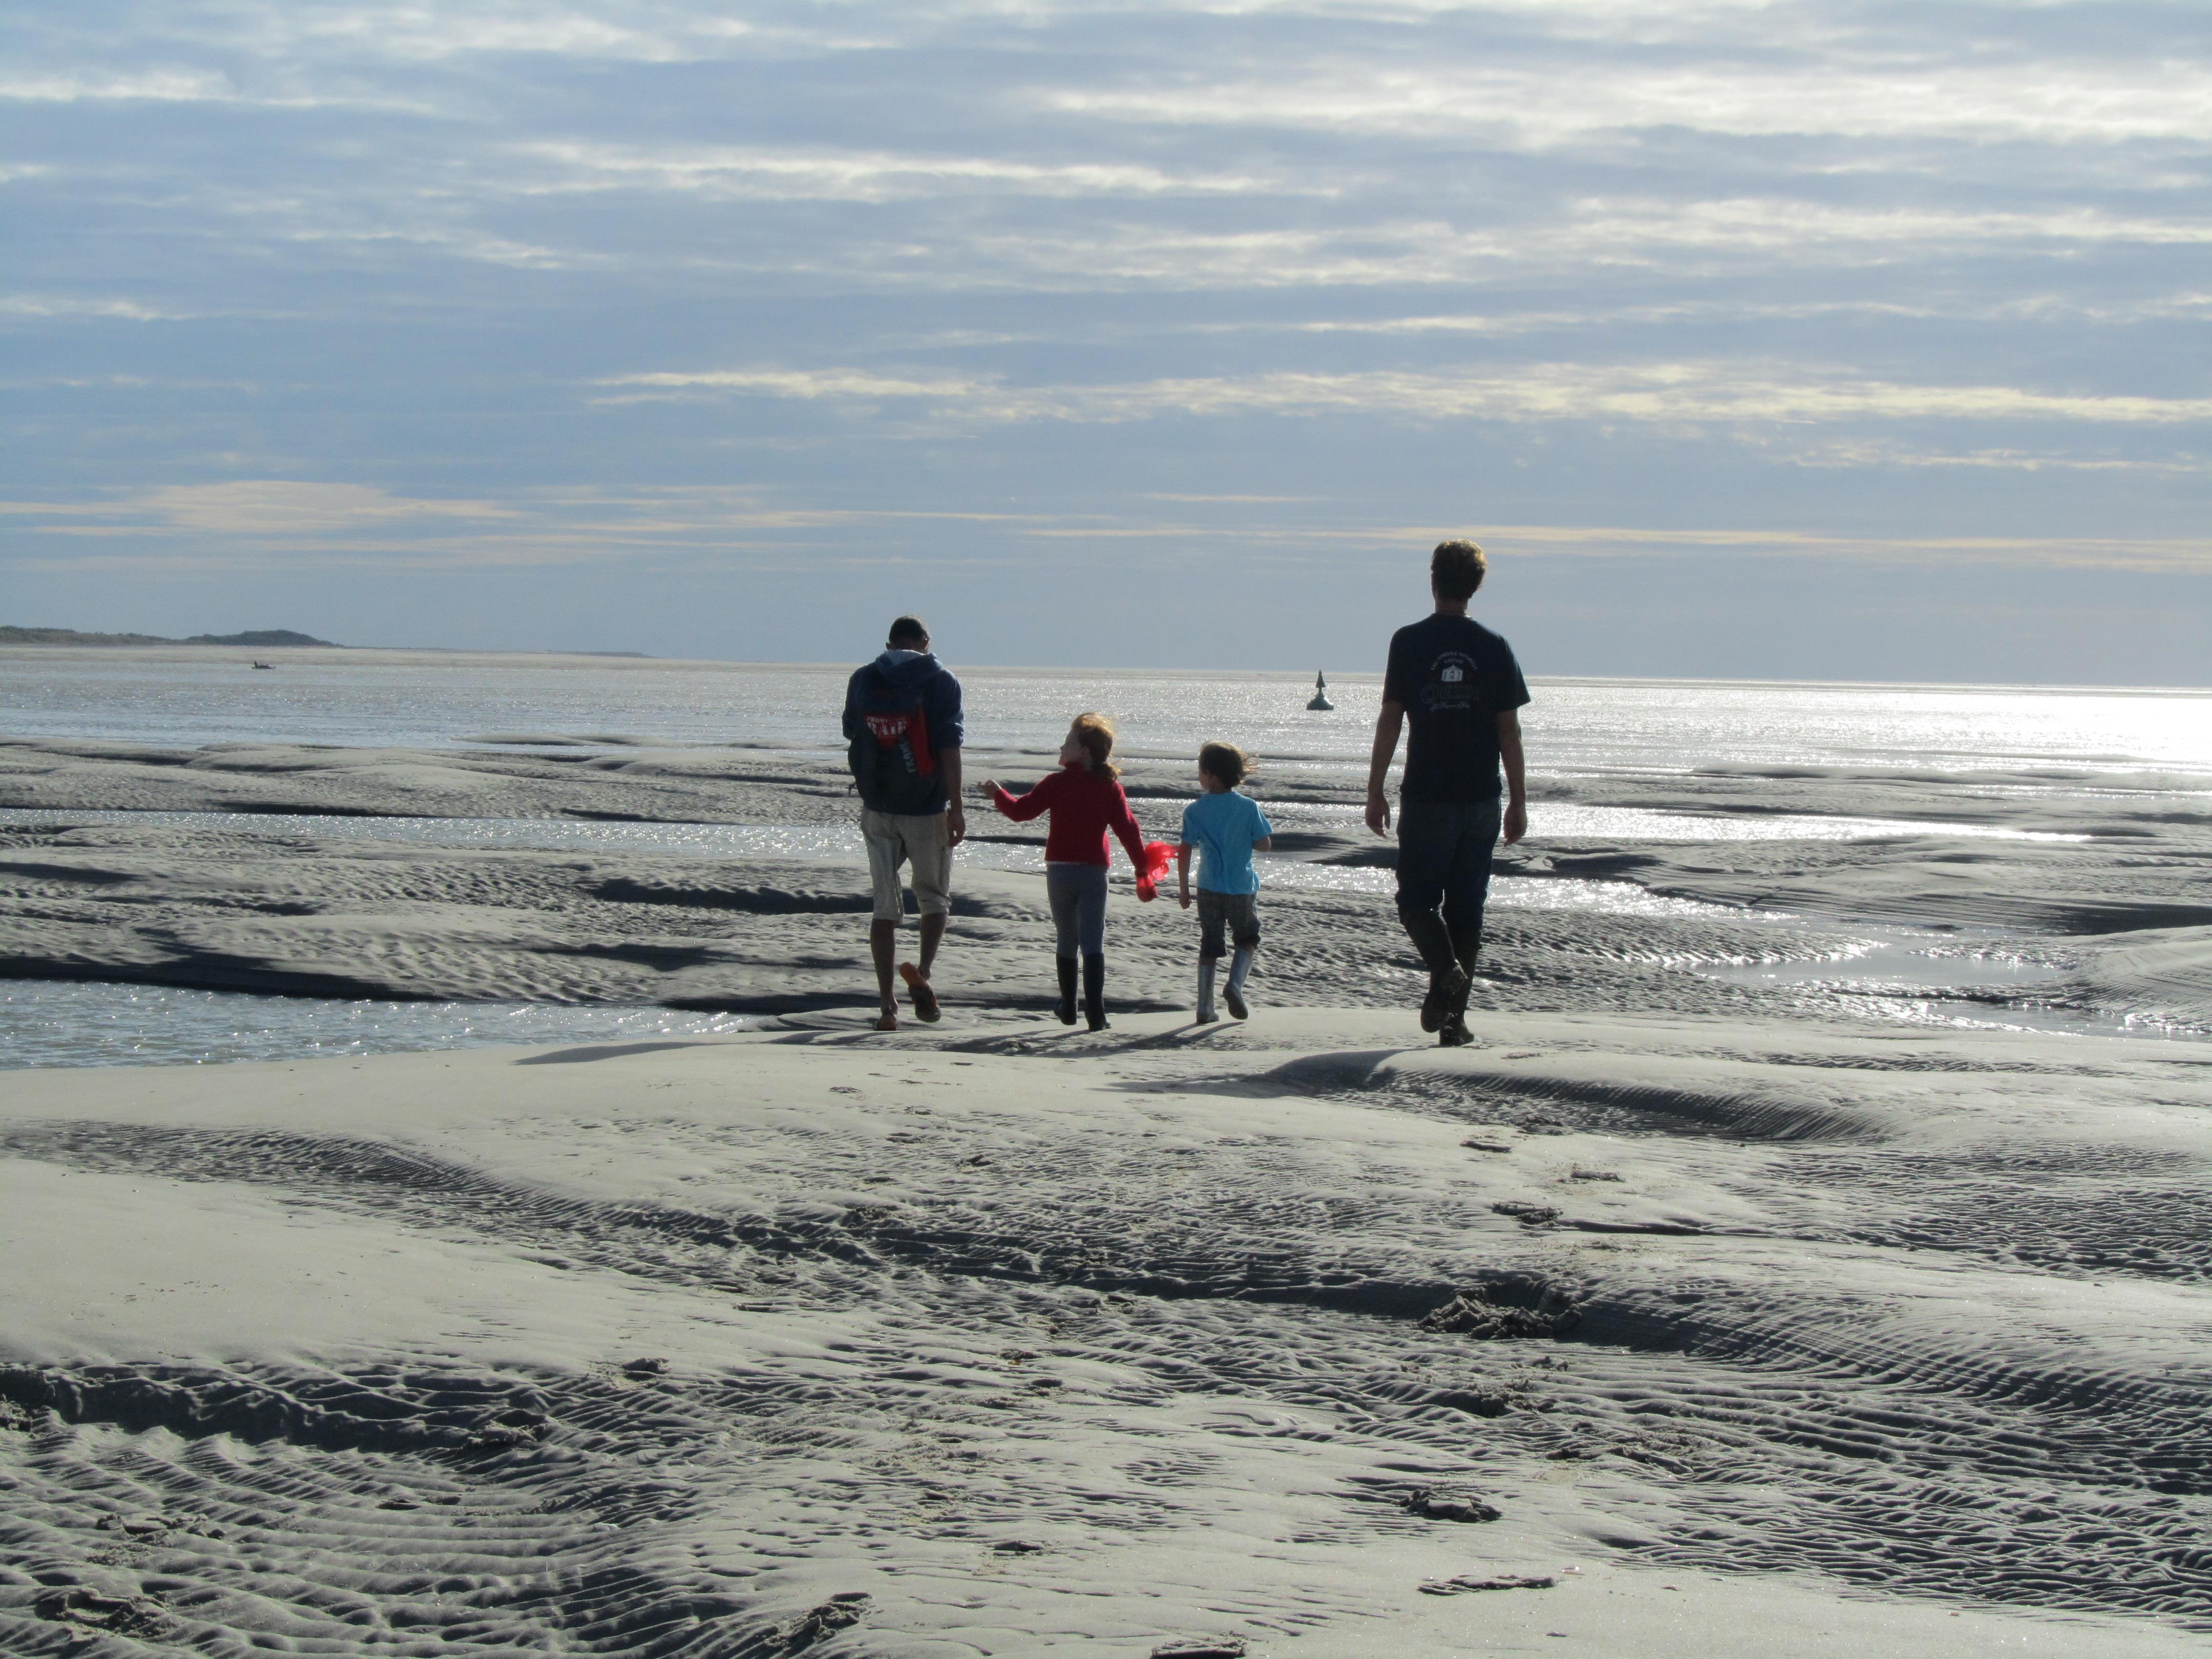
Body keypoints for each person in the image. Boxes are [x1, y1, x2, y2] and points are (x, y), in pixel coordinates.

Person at [1364, 540, 1529, 1048]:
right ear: (1475, 585)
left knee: (1416, 900)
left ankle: (1446, 972)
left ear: (1434, 580)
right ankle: (1454, 1018)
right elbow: (1510, 733)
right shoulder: (1494, 645)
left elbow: (1391, 720)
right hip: (1481, 797)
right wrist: (1519, 801)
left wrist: (1375, 790)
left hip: (1431, 795)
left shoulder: (1410, 641)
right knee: (1466, 909)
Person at [982, 713, 1151, 1032]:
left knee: (1067, 937)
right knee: (1093, 940)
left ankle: (1069, 1007)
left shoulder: (1056, 783)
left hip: (1060, 871)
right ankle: (1096, 1014)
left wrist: (998, 795)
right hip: (1094, 871)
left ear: (1085, 750)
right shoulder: (1109, 787)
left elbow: (1021, 812)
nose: (1062, 745)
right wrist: (1142, 868)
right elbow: (1129, 829)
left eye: (1069, 741)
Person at [843, 615, 965, 1032]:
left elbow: (850, 731)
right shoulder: (942, 681)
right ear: (926, 642)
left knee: (884, 906)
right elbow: (950, 745)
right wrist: (958, 807)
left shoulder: (863, 678)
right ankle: (924, 974)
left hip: (877, 808)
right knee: (934, 897)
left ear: (890, 641)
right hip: (926, 807)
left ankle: (886, 1008)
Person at [1176, 741, 1273, 1023]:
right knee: (1247, 937)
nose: (1199, 776)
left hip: (1208, 886)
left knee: (1210, 944)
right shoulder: (1248, 807)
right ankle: (1235, 985)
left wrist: (1184, 889)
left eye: (1201, 770)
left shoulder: (1195, 810)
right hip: (1241, 886)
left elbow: (1184, 851)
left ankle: (1205, 1007)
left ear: (1212, 774)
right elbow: (1264, 844)